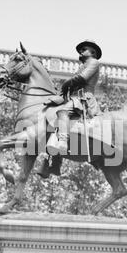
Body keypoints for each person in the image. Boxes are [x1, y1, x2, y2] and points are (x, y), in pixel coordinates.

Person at [37, 40, 102, 179]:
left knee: (63, 112)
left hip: (84, 100)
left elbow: (82, 78)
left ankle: (63, 143)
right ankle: (54, 164)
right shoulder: (82, 66)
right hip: (74, 99)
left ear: (93, 52)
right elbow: (67, 93)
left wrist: (67, 82)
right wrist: (53, 100)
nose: (81, 51)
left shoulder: (93, 62)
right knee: (54, 121)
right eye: (81, 49)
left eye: (84, 49)